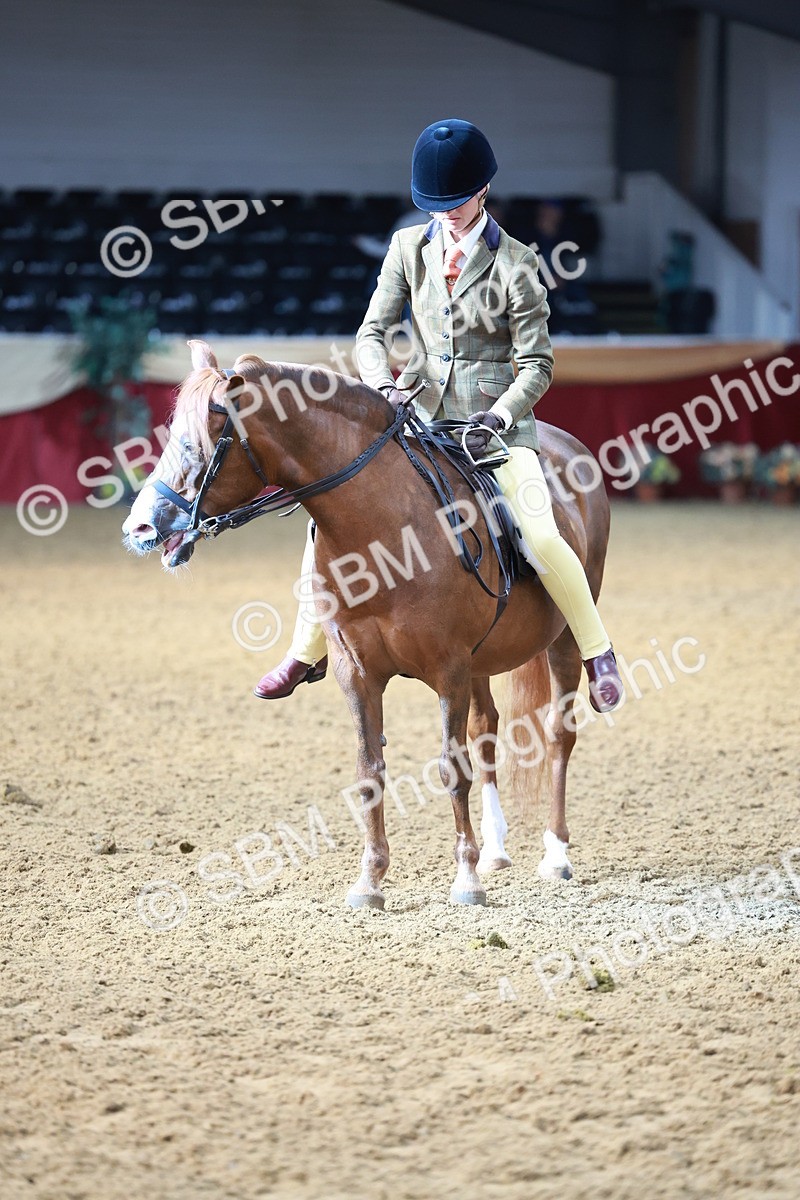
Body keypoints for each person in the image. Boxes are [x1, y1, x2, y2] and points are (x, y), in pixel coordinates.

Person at [255, 118, 624, 712]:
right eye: (435, 204)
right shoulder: (407, 247)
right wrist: (380, 386)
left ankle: (596, 649)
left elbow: (536, 365)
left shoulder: (519, 264)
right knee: (326, 514)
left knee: (540, 532)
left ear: (484, 191)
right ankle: (305, 648)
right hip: (418, 414)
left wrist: (501, 418)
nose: (446, 214)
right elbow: (372, 331)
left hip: (494, 424)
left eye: (456, 202)